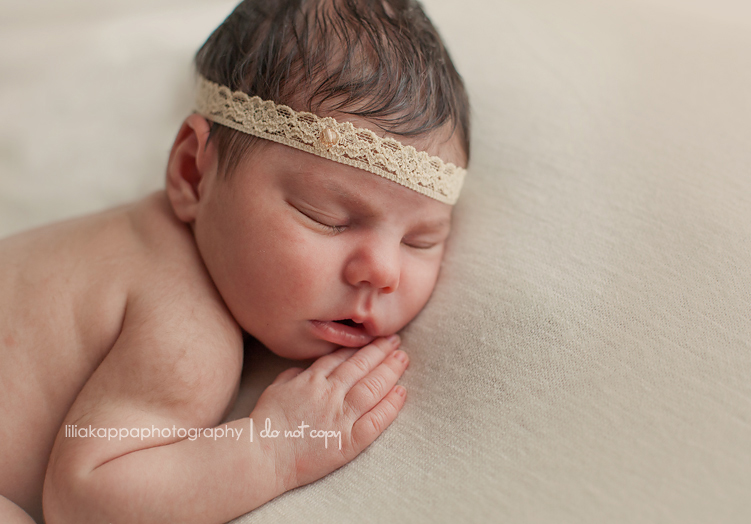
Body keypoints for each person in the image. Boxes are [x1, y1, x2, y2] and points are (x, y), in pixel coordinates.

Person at [0, 0, 470, 521]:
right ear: (193, 173)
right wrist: (275, 447)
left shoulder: (135, 238)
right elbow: (81, 501)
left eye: (420, 240)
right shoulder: (187, 330)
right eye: (327, 217)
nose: (383, 271)